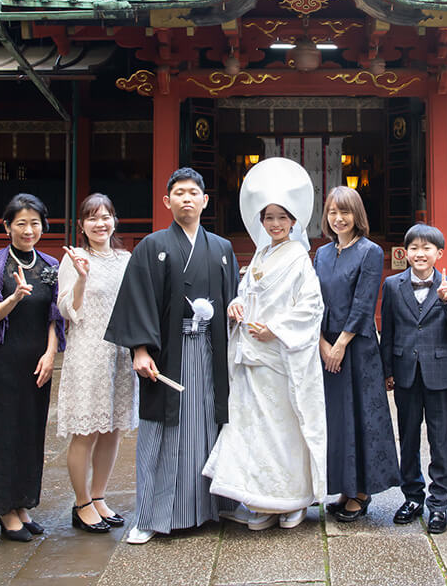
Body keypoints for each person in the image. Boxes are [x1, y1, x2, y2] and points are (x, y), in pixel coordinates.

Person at [105, 167, 240, 544]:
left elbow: (234, 298)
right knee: (162, 433)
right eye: (178, 193)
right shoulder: (152, 246)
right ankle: (149, 515)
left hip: (211, 354)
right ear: (167, 201)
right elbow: (138, 301)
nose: (186, 199)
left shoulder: (223, 249)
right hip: (169, 356)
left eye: (193, 192)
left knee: (209, 429)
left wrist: (236, 309)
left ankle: (211, 508)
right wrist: (140, 350)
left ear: (204, 200)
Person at [205, 158, 326, 530]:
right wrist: (237, 302)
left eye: (281, 218)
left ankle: (291, 500)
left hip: (281, 356)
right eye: (268, 217)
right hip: (251, 354)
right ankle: (260, 499)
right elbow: (246, 292)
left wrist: (274, 328)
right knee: (256, 428)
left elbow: (311, 307)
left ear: (293, 221)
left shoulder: (300, 259)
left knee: (284, 427)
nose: (275, 224)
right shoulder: (260, 254)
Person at [0, 193, 64, 542]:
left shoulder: (49, 266)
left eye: (35, 223)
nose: (29, 230)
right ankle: (5, 511)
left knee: (31, 432)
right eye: (21, 223)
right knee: (6, 434)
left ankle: (24, 504)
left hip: (37, 359)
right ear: (8, 226)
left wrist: (51, 353)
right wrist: (12, 298)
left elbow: (55, 316)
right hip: (5, 361)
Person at [314, 186, 398, 523]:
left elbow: (365, 302)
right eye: (333, 212)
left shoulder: (370, 251)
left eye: (345, 212)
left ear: (357, 215)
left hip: (357, 346)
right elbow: (313, 301)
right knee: (337, 419)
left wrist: (341, 343)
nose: (338, 218)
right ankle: (345, 488)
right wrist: (321, 341)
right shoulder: (320, 254)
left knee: (362, 417)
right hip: (325, 344)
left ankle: (362, 492)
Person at [380, 223, 447, 535]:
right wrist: (387, 370)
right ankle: (412, 496)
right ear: (406, 252)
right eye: (414, 248)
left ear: (439, 253)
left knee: (440, 440)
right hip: (405, 373)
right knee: (407, 438)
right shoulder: (392, 285)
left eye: (427, 248)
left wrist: (446, 302)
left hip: (439, 374)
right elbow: (388, 330)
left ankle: (440, 503)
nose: (420, 254)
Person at [56, 193, 137, 534]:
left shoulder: (125, 258)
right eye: (92, 217)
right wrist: (81, 278)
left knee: (113, 429)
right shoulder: (74, 258)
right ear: (82, 225)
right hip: (88, 351)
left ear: (114, 220)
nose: (100, 223)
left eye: (106, 216)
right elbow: (66, 310)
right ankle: (81, 502)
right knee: (86, 432)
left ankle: (100, 496)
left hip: (120, 352)